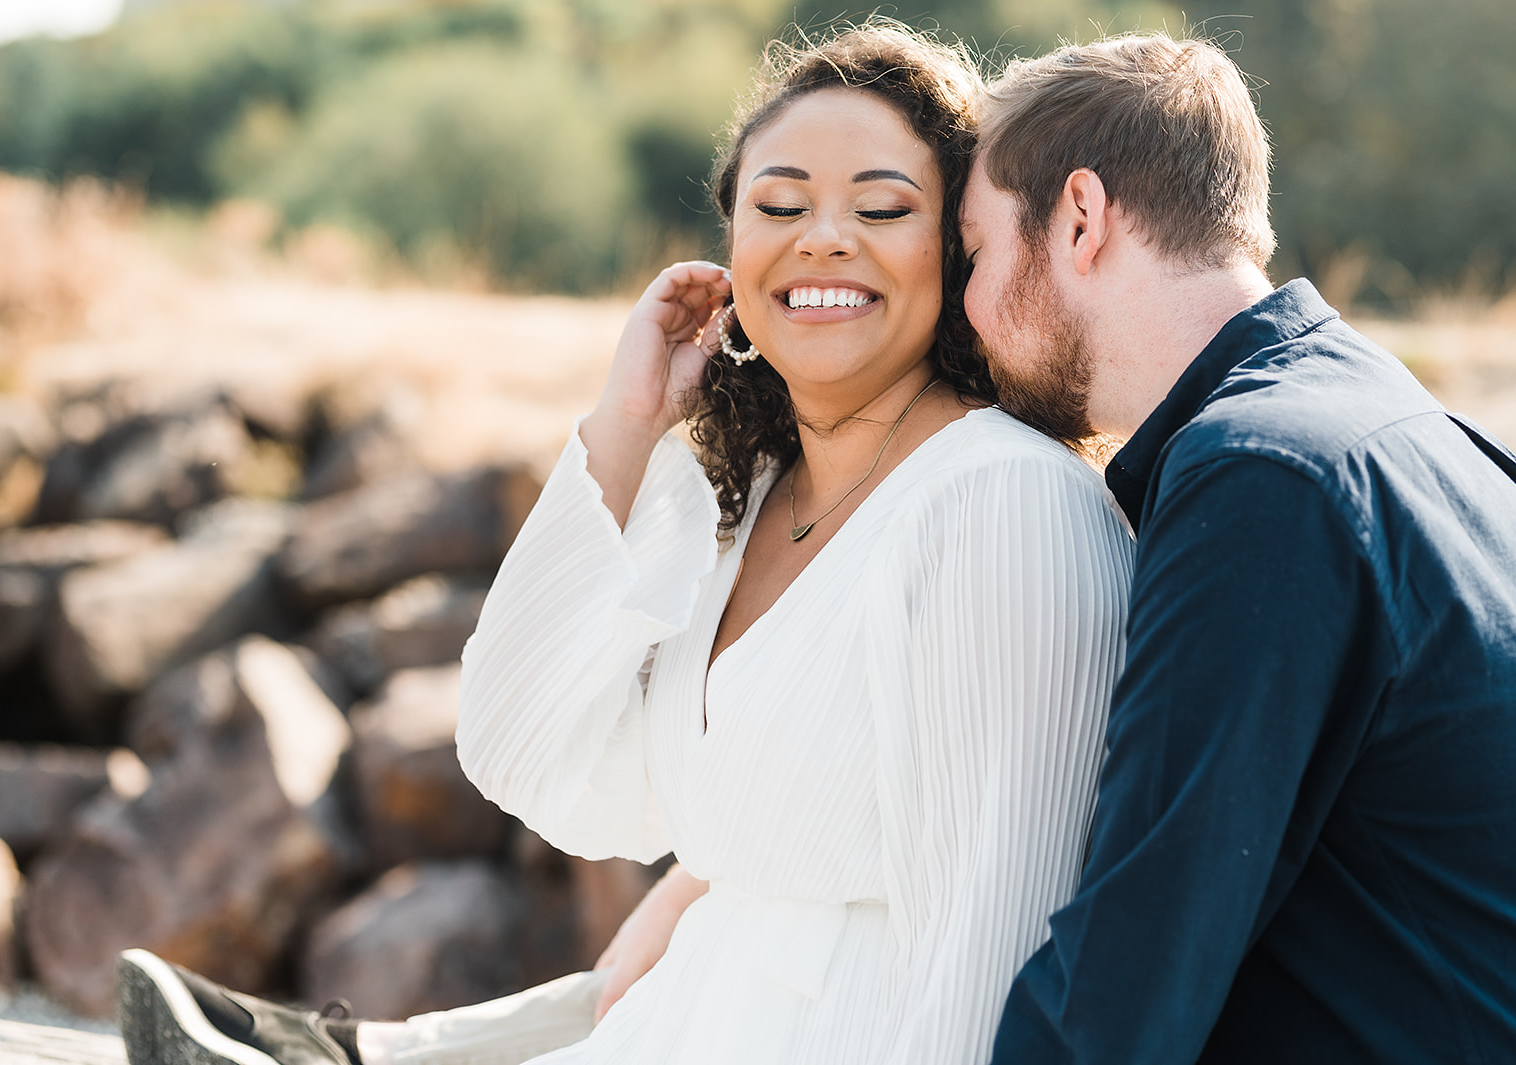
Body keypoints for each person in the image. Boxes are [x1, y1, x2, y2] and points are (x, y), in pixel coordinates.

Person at [113, 22, 1135, 1065]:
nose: (824, 237)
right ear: (732, 253)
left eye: (882, 207)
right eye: (778, 206)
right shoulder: (750, 503)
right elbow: (519, 751)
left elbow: (1004, 942)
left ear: (957, 248)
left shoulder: (1001, 505)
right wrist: (625, 423)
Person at [954, 32, 1516, 1065]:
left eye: (975, 253)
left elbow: (1126, 985)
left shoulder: (1261, 477)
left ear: (1080, 219)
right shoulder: (1402, 430)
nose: (964, 309)